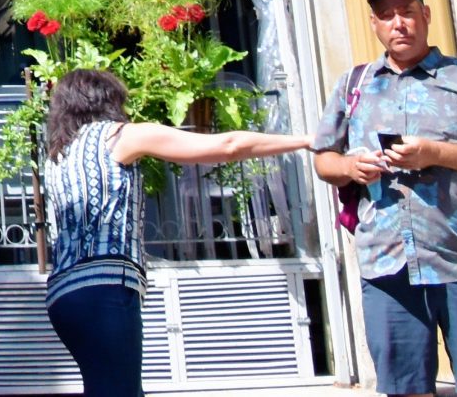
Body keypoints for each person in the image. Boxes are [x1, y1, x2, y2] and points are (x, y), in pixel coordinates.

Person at [314, 0, 457, 397]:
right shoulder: (353, 86)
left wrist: (436, 153)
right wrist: (352, 167)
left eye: (408, 12)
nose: (399, 23)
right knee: (404, 390)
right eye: (387, 15)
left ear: (426, 15)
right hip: (387, 265)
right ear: (374, 24)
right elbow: (324, 160)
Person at [40, 68, 312, 397]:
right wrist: (306, 141)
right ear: (107, 102)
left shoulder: (58, 155)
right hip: (104, 288)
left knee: (108, 387)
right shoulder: (120, 136)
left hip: (63, 295)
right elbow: (227, 145)